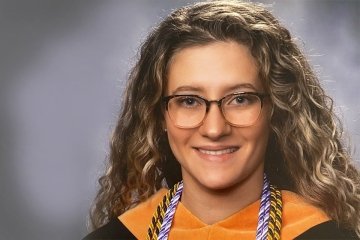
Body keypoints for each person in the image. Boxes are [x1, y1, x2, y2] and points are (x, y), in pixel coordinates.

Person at [83, 1, 360, 239]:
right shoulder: (118, 236)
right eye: (189, 101)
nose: (214, 129)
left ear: (276, 110)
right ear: (159, 116)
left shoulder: (322, 234)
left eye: (240, 99)